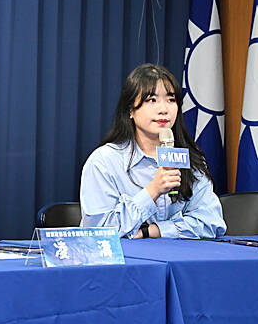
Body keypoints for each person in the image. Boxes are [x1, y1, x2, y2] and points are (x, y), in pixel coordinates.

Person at [80, 63, 226, 239]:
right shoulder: (104, 161)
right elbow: (97, 232)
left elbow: (211, 223)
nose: (164, 109)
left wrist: (152, 231)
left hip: (179, 254)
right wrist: (152, 191)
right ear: (130, 110)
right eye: (151, 100)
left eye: (171, 100)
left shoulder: (191, 159)